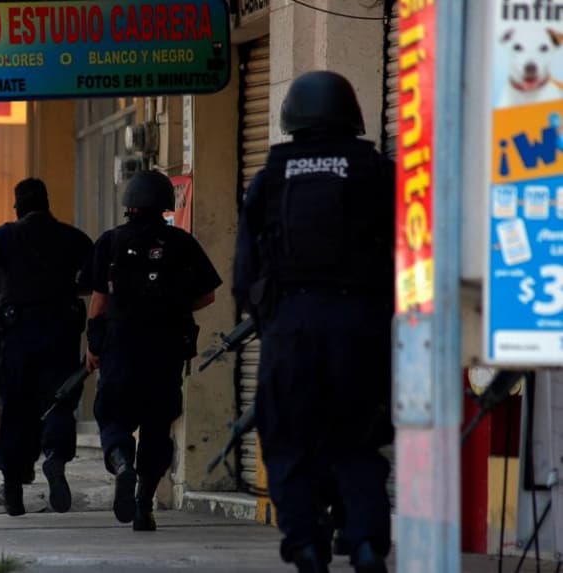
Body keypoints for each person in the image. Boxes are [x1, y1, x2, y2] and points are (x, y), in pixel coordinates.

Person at [233, 70, 395, 573]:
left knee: (287, 438)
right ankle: (367, 543)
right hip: (360, 326)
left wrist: (270, 318)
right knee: (357, 438)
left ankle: (304, 541)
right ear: (351, 114)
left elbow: (244, 273)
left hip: (291, 327)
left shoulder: (271, 177)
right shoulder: (377, 170)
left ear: (291, 118)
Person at [84, 170, 222, 532]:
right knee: (158, 427)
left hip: (120, 348)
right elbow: (208, 294)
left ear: (128, 204)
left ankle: (122, 462)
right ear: (165, 204)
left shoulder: (109, 242)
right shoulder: (181, 242)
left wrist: (93, 345)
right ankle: (144, 503)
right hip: (165, 350)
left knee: (112, 417)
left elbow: (98, 302)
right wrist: (174, 307)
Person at [0, 178, 94, 516]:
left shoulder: (3, 236)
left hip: (17, 336)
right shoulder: (72, 237)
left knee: (16, 406)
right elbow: (95, 281)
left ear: (18, 206)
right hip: (61, 332)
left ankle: (13, 488)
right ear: (47, 202)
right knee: (59, 400)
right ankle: (55, 459)